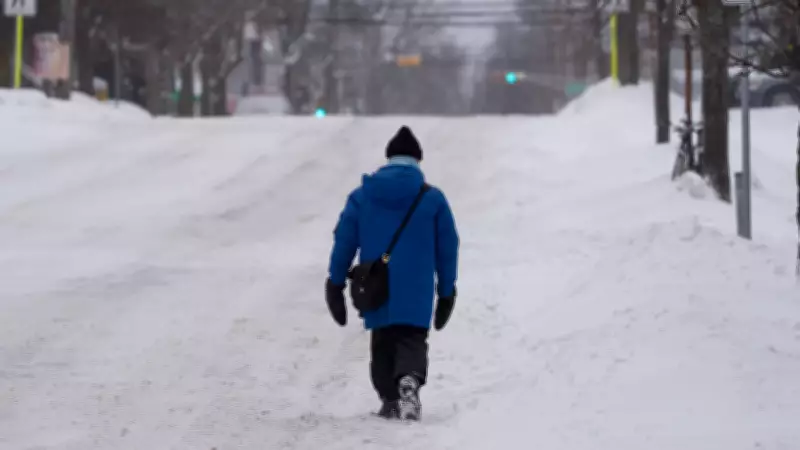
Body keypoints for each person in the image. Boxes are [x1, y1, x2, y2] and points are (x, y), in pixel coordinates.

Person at [325, 125, 460, 421]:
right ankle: (409, 380)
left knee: (382, 342)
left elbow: (344, 241)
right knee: (411, 339)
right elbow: (448, 247)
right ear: (417, 161)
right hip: (417, 290)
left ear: (387, 159)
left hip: (377, 288)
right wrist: (447, 291)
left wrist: (334, 283)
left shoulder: (362, 196)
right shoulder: (433, 199)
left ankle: (389, 398)